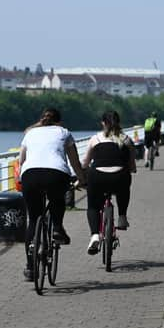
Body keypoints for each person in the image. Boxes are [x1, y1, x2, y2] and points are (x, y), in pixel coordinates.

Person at [19, 108, 86, 281]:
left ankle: (30, 268)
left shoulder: (30, 133)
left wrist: (22, 178)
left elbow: (22, 161)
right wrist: (81, 179)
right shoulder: (64, 132)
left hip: (30, 175)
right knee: (57, 201)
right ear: (59, 122)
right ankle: (57, 228)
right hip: (56, 174)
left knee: (33, 219)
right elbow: (74, 161)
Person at [82, 110, 136, 254]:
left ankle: (94, 235)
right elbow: (132, 166)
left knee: (93, 206)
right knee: (124, 187)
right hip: (119, 177)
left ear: (103, 123)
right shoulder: (126, 139)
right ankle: (122, 217)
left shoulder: (95, 139)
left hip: (97, 176)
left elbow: (85, 163)